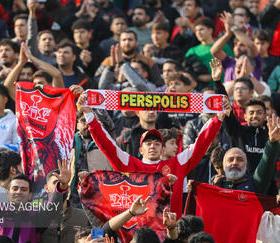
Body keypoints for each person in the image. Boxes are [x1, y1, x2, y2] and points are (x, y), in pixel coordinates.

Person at [76, 86, 226, 216]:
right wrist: (89, 114)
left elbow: (201, 143)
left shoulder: (177, 164)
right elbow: (106, 143)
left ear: (162, 149)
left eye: (156, 143)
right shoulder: (129, 164)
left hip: (170, 234)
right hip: (138, 233)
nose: (153, 146)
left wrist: (218, 118)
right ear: (140, 149)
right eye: (148, 143)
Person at [38, 169, 90, 243]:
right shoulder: (38, 216)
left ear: (68, 188)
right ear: (46, 188)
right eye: (56, 183)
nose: (61, 186)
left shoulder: (83, 217)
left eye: (63, 183)